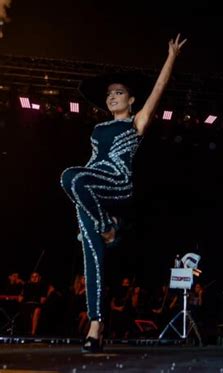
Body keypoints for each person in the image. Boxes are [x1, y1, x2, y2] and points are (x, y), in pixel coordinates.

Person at [60, 34, 186, 353]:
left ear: (131, 100)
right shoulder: (98, 129)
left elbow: (158, 90)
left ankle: (107, 227)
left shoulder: (137, 122)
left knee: (70, 177)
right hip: (91, 188)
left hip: (117, 182)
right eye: (109, 94)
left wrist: (171, 56)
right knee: (94, 259)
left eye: (119, 93)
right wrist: (83, 205)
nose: (112, 97)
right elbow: (91, 162)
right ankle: (95, 327)